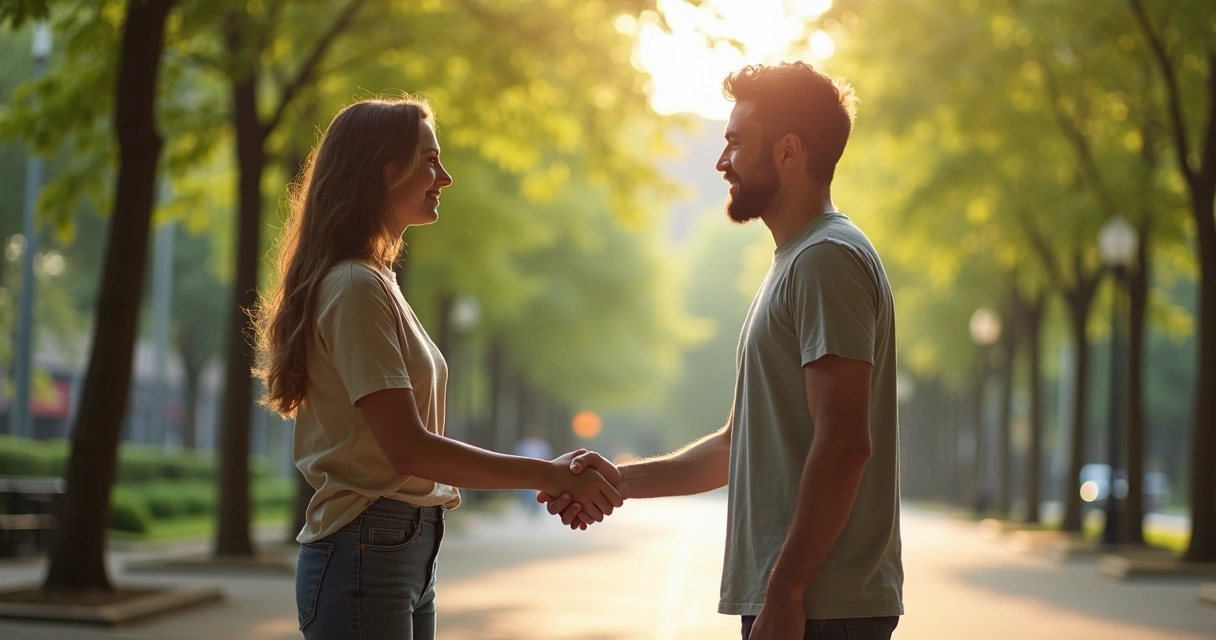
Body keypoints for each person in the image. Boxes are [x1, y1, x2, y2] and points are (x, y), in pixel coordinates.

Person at [543, 62, 904, 640]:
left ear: (788, 151)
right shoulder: (798, 261)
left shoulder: (825, 261)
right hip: (799, 601)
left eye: (736, 143)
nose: (721, 162)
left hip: (822, 606)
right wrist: (618, 482)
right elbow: (737, 447)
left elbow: (843, 442)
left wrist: (785, 593)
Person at [252, 96, 623, 640]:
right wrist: (546, 474)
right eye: (430, 160)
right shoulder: (355, 286)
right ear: (384, 169)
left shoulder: (377, 280)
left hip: (399, 547)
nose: (444, 178)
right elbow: (409, 448)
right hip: (366, 546)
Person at [512, 428, 554, 517]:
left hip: (538, 472)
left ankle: (534, 507)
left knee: (534, 490)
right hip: (524, 472)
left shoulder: (541, 445)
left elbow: (546, 458)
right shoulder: (522, 445)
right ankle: (527, 506)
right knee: (526, 490)